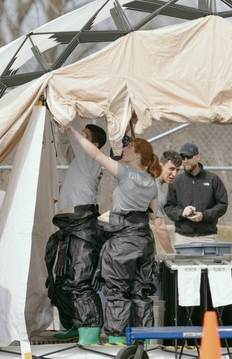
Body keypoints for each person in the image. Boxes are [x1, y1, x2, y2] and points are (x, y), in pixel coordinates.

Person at [64, 125, 162, 345]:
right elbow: (153, 214)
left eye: (128, 147)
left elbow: (96, 154)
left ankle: (118, 339)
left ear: (138, 154)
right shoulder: (153, 181)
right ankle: (143, 340)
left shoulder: (126, 173)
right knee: (140, 292)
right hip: (145, 240)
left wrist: (74, 132)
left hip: (123, 240)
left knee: (117, 290)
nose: (123, 149)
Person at [45, 123, 107, 346]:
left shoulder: (92, 159)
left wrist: (71, 128)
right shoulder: (78, 162)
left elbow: (76, 144)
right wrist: (63, 129)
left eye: (86, 136)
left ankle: (89, 330)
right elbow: (66, 145)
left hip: (83, 227)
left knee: (80, 279)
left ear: (95, 144)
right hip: (68, 226)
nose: (82, 138)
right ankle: (72, 324)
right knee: (60, 280)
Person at [163, 142, 229, 243]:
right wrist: (182, 213)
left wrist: (204, 216)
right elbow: (168, 207)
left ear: (198, 157)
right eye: (182, 157)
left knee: (208, 259)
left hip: (208, 236)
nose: (185, 160)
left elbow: (222, 204)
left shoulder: (212, 179)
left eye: (189, 157)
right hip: (183, 237)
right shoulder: (176, 181)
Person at [152, 150, 182, 254]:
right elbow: (160, 228)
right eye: (171, 169)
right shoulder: (154, 188)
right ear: (161, 166)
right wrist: (171, 255)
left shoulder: (146, 178)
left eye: (177, 170)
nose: (174, 174)